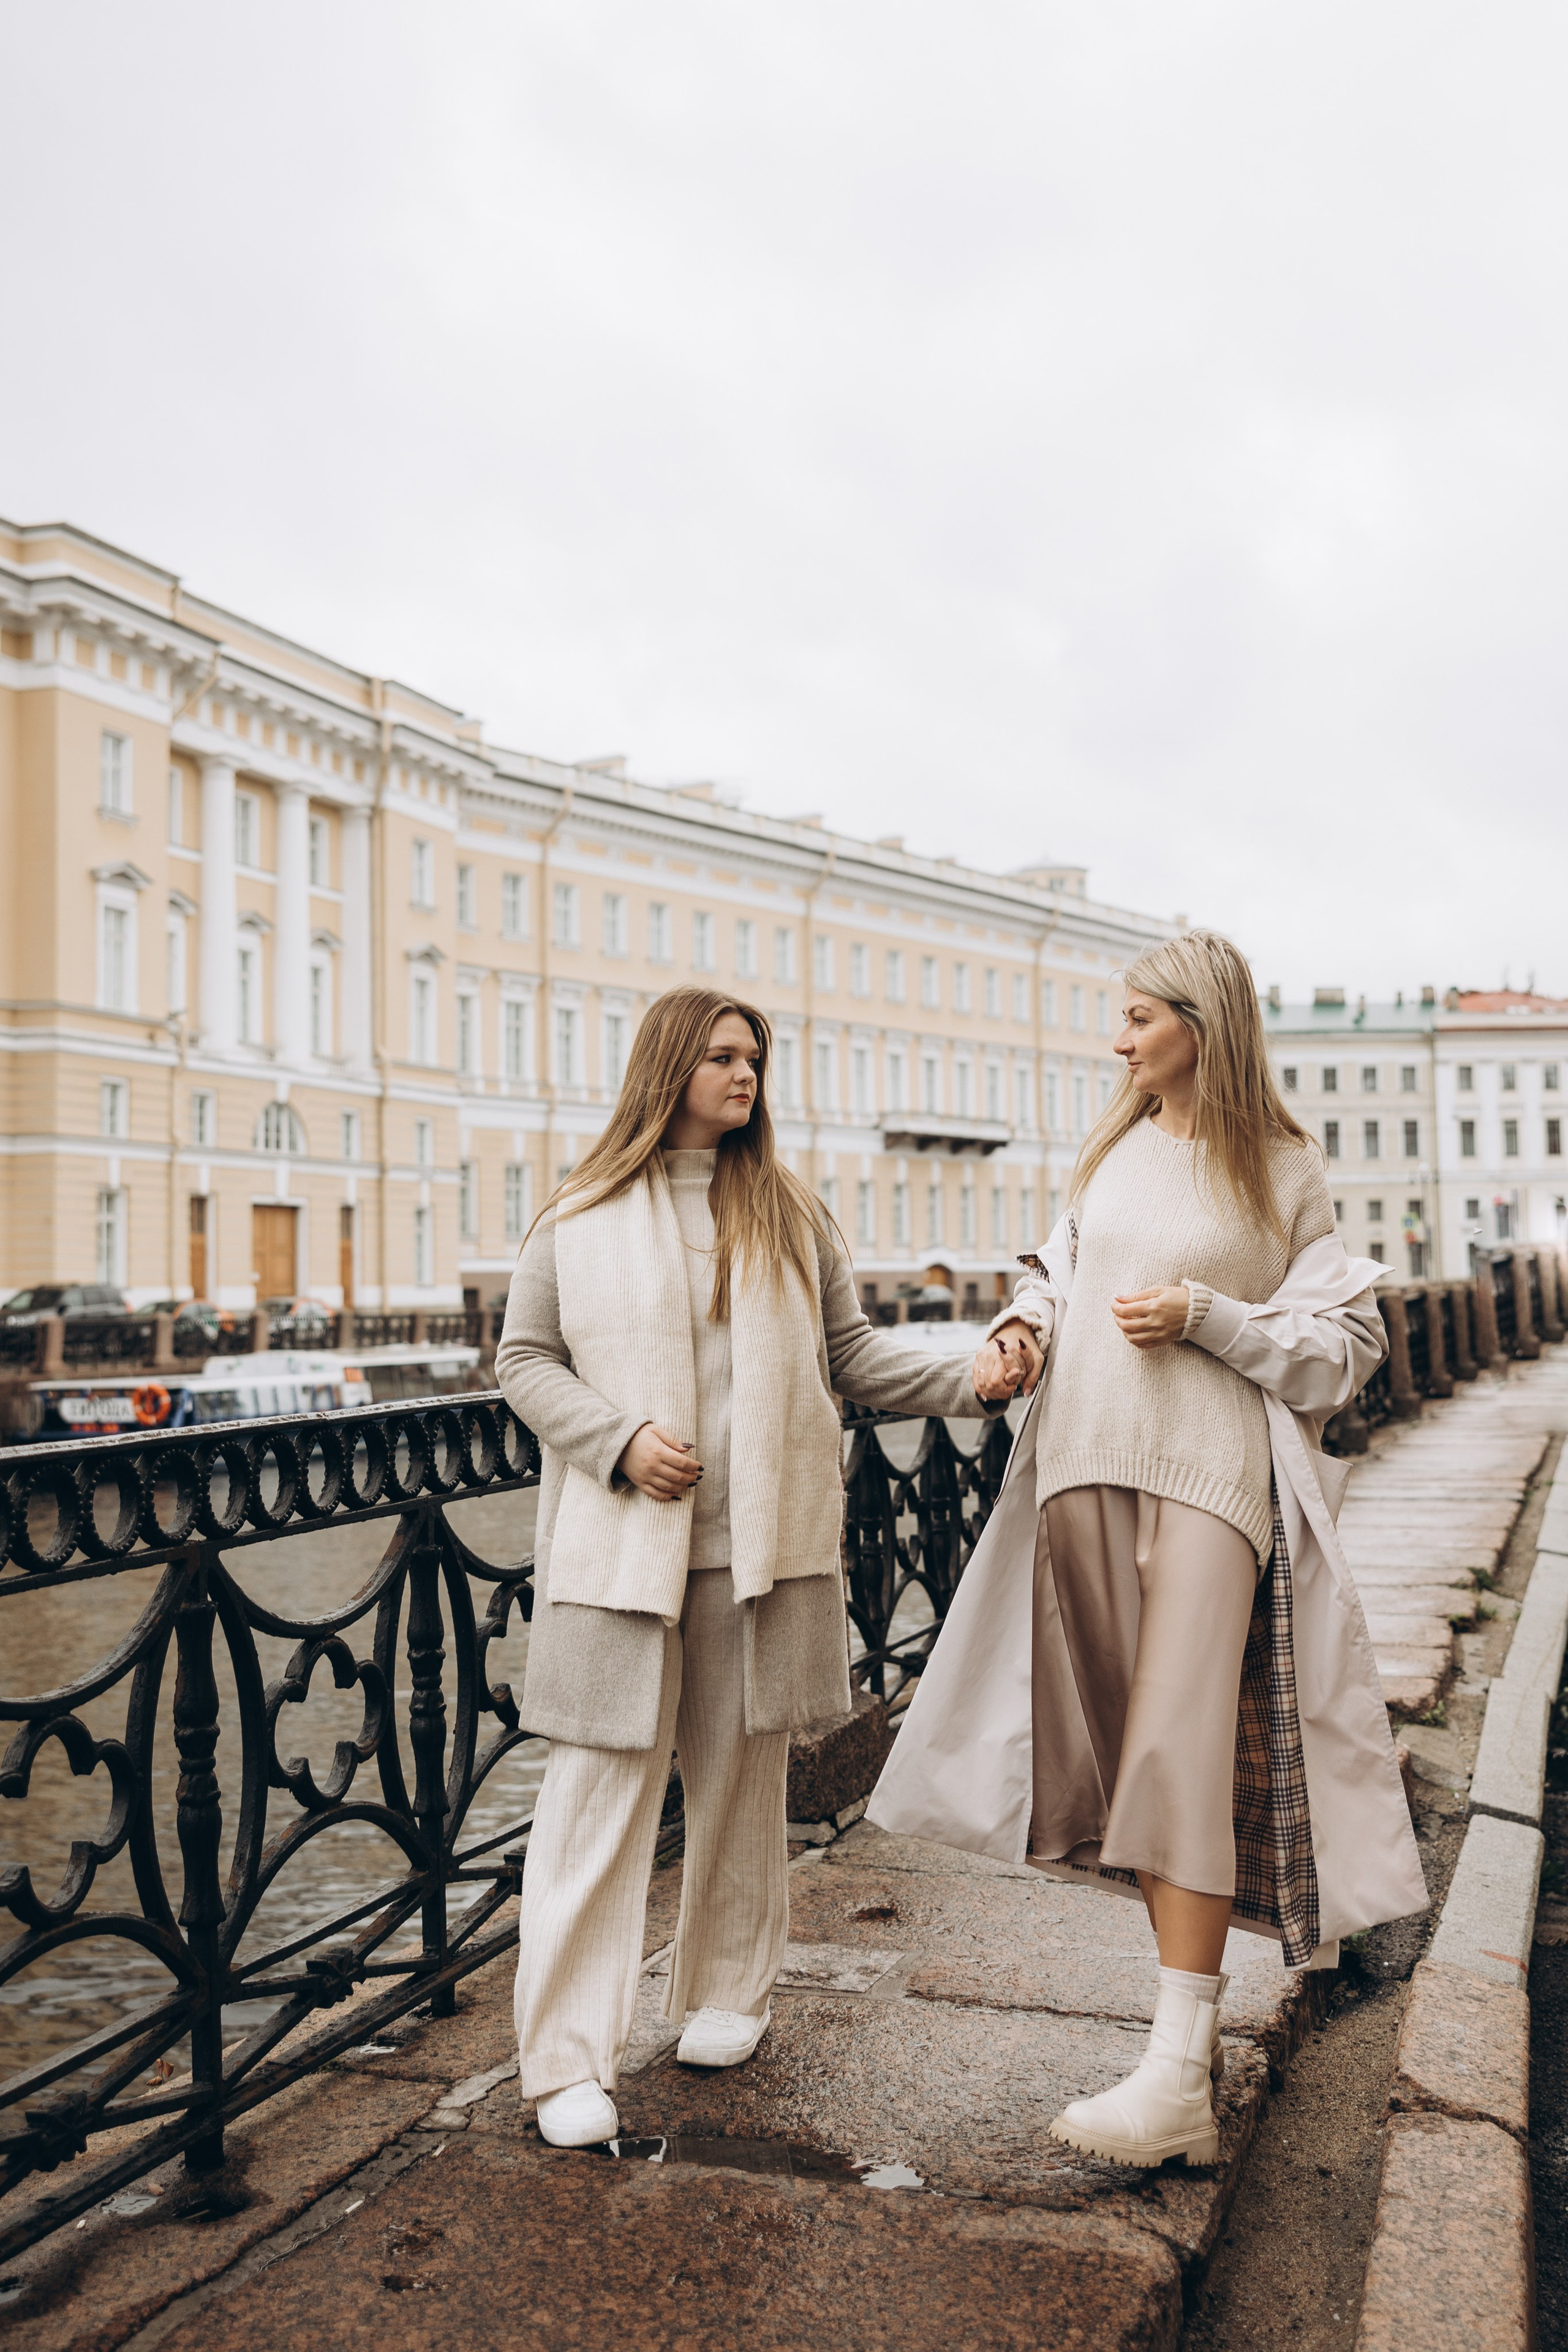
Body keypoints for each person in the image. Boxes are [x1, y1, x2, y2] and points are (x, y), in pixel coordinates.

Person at [868, 930, 1426, 2169]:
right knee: (1132, 1764)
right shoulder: (1108, 1151)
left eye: (1135, 1018)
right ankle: (1169, 2057)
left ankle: (1176, 2074)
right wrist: (1019, 1329)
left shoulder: (1282, 1166)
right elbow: (1063, 1281)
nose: (1114, 1042)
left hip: (1211, 1483)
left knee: (1179, 1752)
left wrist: (1210, 1318)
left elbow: (1345, 1349)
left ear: (1199, 1021)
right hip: (1077, 1471)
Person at [495, 984, 1021, 2148]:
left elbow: (853, 1356)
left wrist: (972, 1379)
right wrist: (618, 1441)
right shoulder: (577, 1213)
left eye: (755, 1059)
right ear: (669, 1065)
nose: (746, 1076)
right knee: (593, 1804)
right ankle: (568, 2058)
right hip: (619, 1561)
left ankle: (727, 1992)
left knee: (742, 1788)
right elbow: (524, 1362)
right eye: (725, 1057)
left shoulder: (789, 1211)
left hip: (759, 1556)